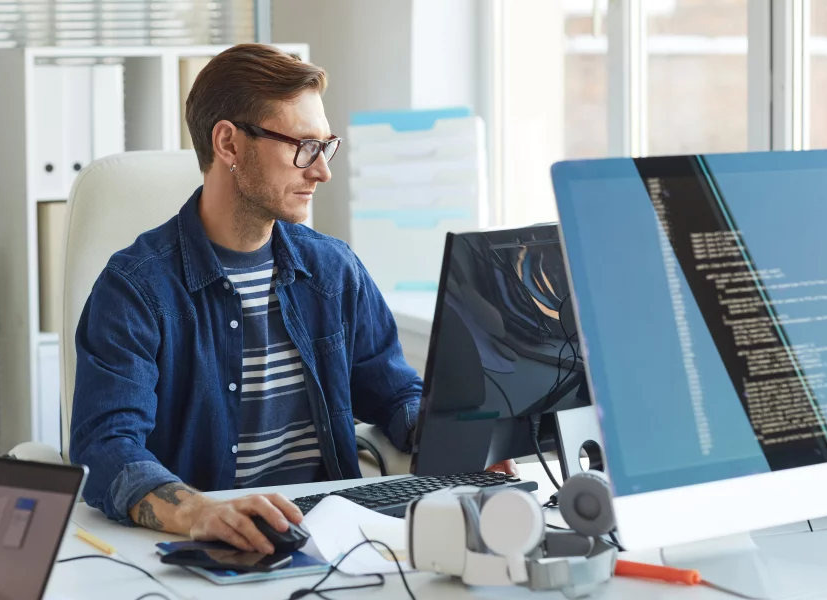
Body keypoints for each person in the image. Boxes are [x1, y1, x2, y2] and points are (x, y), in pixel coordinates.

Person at [68, 43, 515, 556]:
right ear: (229, 144)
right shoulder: (137, 289)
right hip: (204, 548)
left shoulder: (333, 270)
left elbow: (393, 394)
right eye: (304, 147)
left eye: (327, 147)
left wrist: (457, 440)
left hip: (336, 539)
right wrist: (198, 509)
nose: (321, 171)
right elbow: (107, 449)